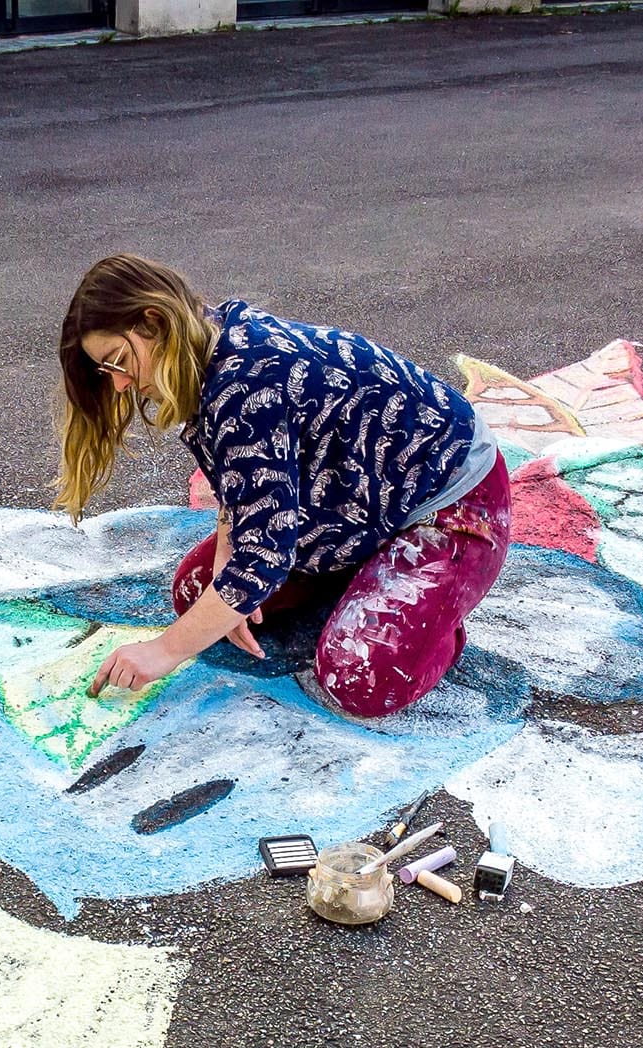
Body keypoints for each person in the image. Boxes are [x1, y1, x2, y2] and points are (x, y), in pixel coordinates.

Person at [58, 253, 511, 719]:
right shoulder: (206, 345)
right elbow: (244, 483)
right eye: (105, 371)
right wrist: (225, 566)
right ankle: (360, 576)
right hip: (354, 504)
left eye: (117, 361)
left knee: (360, 678)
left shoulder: (248, 382)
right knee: (200, 592)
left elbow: (263, 555)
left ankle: (436, 622)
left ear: (154, 321)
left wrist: (164, 651)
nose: (118, 385)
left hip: (451, 504)